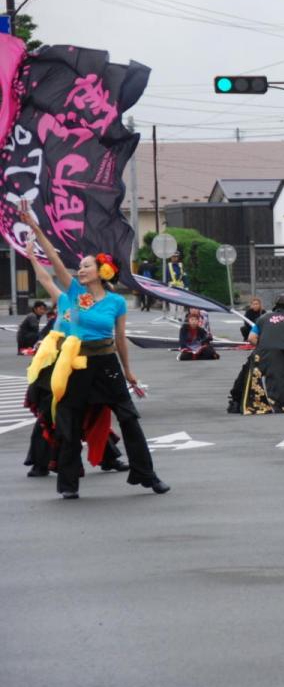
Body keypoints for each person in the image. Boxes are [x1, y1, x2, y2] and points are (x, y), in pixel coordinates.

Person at [20, 208, 169, 499]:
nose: (81, 268)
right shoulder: (76, 294)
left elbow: (120, 339)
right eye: (80, 266)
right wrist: (36, 230)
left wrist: (128, 370)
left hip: (107, 363)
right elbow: (53, 262)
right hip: (76, 364)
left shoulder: (116, 302)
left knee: (129, 418)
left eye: (87, 265)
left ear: (102, 271)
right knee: (69, 422)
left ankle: (146, 475)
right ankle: (68, 484)